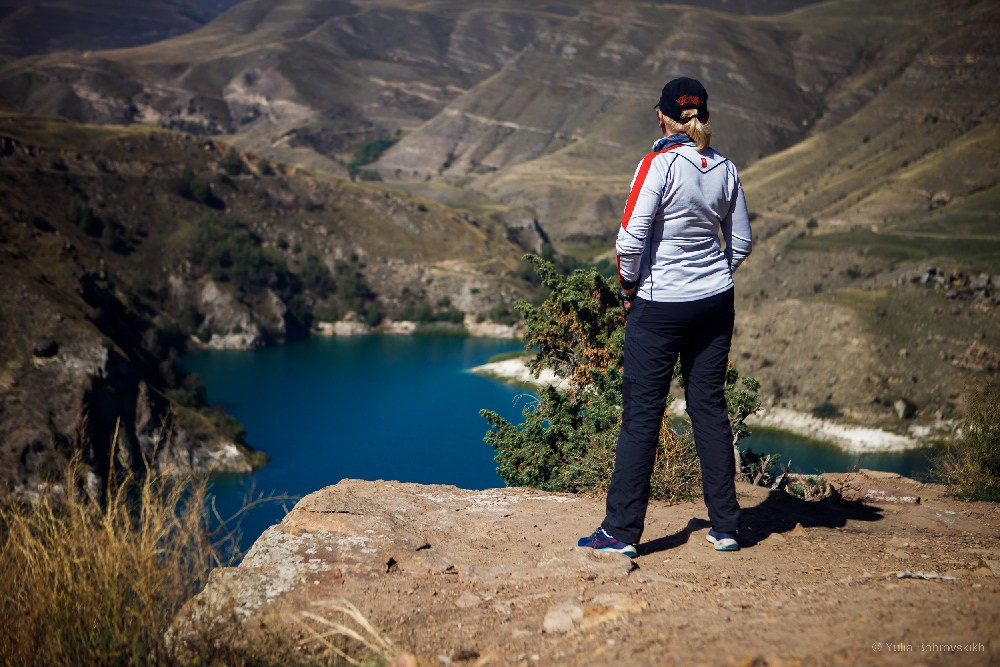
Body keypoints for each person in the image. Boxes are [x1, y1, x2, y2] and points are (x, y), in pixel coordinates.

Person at [578, 77, 752, 557]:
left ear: (662, 116)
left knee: (642, 418)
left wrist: (628, 289)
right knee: (709, 410)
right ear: (704, 116)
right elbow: (740, 244)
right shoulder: (724, 167)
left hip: (658, 306)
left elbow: (629, 241)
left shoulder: (656, 165)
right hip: (715, 301)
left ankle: (621, 532)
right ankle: (727, 527)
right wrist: (713, 274)